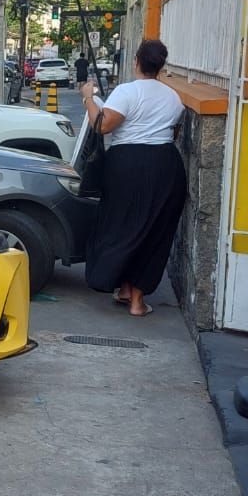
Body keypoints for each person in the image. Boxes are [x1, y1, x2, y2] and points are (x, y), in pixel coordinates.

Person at [80, 39, 187, 317]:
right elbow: (172, 131)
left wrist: (88, 98)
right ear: (161, 66)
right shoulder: (173, 97)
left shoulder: (127, 92)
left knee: (122, 225)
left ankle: (120, 284)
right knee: (153, 230)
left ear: (136, 61)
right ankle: (135, 297)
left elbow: (102, 125)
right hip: (165, 165)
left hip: (127, 165)